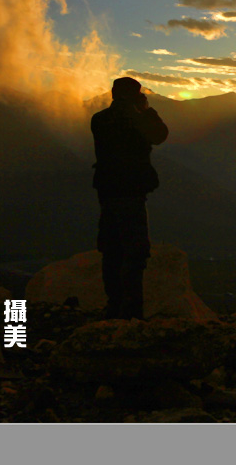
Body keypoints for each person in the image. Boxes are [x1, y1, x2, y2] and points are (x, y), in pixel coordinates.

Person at [91, 77, 168, 319]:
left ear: (113, 93)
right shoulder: (137, 119)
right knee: (135, 252)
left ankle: (114, 306)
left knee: (112, 249)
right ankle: (132, 312)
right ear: (137, 95)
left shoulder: (99, 119)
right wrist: (146, 110)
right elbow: (160, 135)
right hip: (131, 193)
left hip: (108, 192)